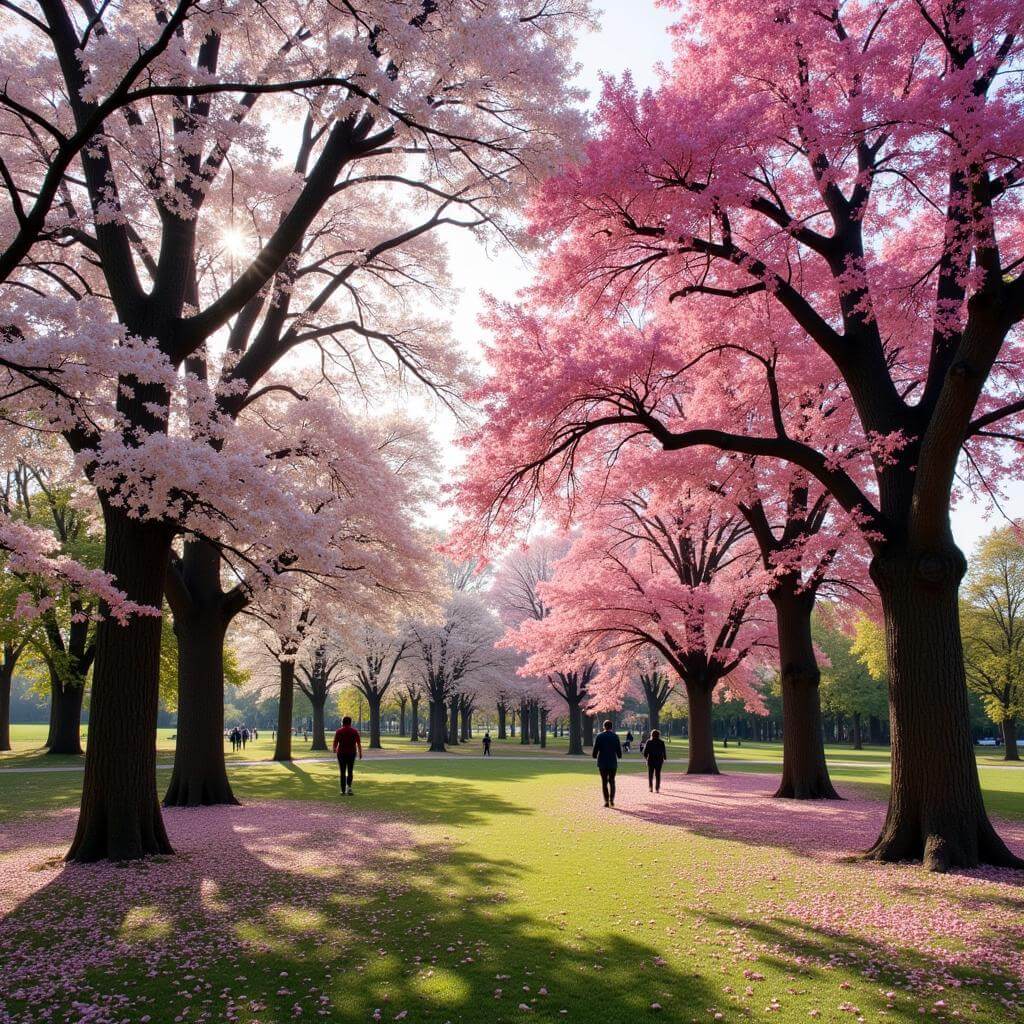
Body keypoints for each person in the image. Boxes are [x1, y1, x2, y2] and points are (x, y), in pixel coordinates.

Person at [592, 720, 622, 807]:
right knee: (612, 781)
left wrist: (594, 755)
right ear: (611, 727)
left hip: (602, 761)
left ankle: (606, 801)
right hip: (612, 761)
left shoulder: (599, 736)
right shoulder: (615, 736)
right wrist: (619, 755)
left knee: (604, 782)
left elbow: (596, 748)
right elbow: (618, 750)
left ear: (603, 726)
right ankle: (612, 799)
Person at [332, 715, 363, 795]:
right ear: (350, 722)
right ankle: (349, 788)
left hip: (341, 753)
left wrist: (334, 749)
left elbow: (335, 742)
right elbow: (358, 743)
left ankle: (342, 790)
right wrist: (360, 752)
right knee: (350, 770)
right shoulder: (354, 731)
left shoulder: (339, 731)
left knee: (342, 771)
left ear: (342, 722)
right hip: (351, 753)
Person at [644, 729, 667, 793]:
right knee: (658, 774)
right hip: (659, 760)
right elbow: (663, 751)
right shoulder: (661, 742)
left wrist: (646, 758)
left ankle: (650, 787)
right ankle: (657, 788)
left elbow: (645, 752)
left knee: (650, 774)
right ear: (658, 735)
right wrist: (664, 758)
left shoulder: (649, 742)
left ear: (652, 735)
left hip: (651, 760)